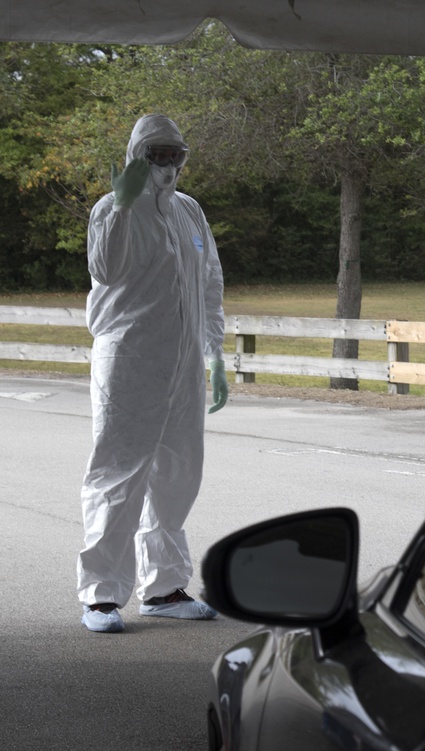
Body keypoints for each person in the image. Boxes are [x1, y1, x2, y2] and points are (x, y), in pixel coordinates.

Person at [78, 114, 228, 633]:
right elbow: (105, 267)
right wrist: (121, 203)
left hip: (184, 362)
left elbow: (209, 280)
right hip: (130, 361)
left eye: (173, 155)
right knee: (118, 474)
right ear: (137, 155)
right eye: (156, 155)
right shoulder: (112, 208)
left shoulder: (189, 211)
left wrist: (215, 353)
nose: (166, 165)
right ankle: (101, 596)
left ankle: (163, 588)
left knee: (178, 474)